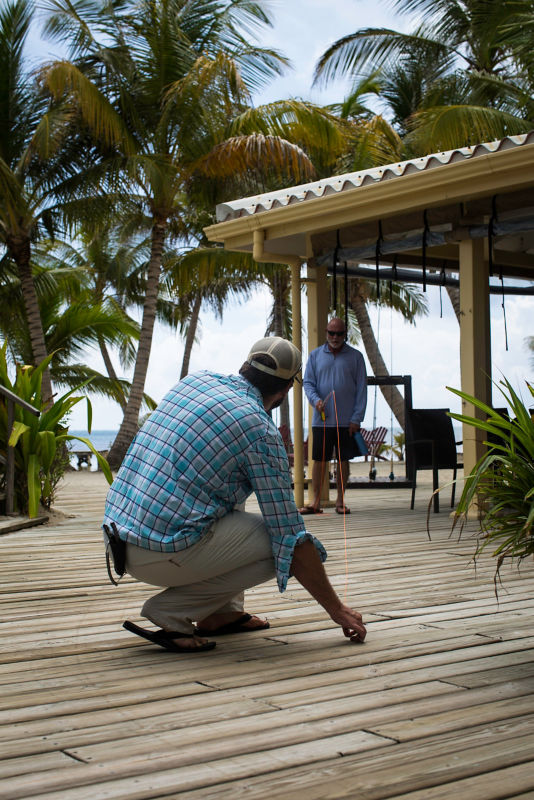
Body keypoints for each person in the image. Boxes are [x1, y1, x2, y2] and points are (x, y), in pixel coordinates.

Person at [103, 336, 367, 654]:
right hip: (159, 549)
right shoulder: (260, 430)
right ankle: (172, 612)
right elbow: (291, 537)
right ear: (285, 391)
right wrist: (337, 610)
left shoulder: (195, 381)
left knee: (230, 486)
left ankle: (221, 614)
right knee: (281, 545)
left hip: (116, 535)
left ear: (246, 365)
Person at [301, 317, 367, 515]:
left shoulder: (356, 357)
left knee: (342, 461)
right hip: (321, 420)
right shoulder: (314, 356)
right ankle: (315, 501)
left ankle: (340, 501)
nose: (335, 337)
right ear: (326, 332)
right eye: (331, 333)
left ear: (345, 334)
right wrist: (315, 400)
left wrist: (357, 418)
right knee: (318, 460)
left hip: (347, 421)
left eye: (339, 333)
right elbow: (308, 383)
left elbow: (362, 389)